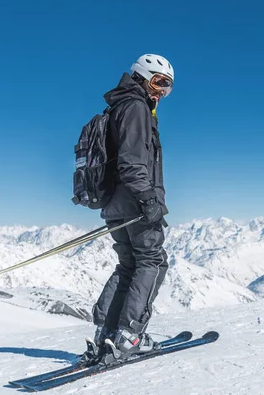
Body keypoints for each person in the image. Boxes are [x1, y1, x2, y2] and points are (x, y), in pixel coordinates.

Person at [91, 54, 174, 356]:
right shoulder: (137, 108)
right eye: (159, 82)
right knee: (152, 261)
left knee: (128, 266)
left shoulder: (119, 106)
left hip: (114, 204)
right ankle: (130, 335)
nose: (162, 92)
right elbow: (132, 163)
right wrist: (149, 200)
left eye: (168, 87)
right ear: (141, 76)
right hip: (135, 203)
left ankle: (106, 333)